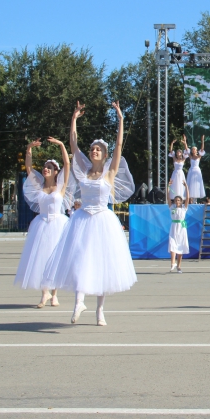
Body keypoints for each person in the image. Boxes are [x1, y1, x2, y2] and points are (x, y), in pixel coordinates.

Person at [41, 101, 136, 326]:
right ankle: (78, 302)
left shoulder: (109, 172)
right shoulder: (83, 171)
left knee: (102, 264)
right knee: (81, 260)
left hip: (103, 220)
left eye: (98, 149)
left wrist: (120, 119)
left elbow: (119, 144)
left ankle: (100, 310)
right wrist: (73, 119)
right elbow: (73, 145)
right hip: (83, 219)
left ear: (104, 155)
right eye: (92, 148)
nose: (94, 151)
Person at [15, 137, 72, 308]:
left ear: (56, 171)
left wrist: (62, 145)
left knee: (56, 258)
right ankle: (44, 293)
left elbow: (67, 166)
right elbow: (29, 169)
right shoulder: (39, 187)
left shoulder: (60, 187)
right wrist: (29, 150)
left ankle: (55, 294)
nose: (45, 169)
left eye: (49, 167)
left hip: (58, 224)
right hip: (41, 224)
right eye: (45, 167)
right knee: (41, 258)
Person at [169, 181, 190, 273]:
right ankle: (172, 263)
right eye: (176, 200)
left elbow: (188, 198)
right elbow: (167, 198)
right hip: (174, 227)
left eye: (179, 200)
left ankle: (179, 266)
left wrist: (186, 187)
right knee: (172, 244)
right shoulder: (172, 208)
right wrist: (168, 186)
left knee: (180, 246)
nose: (177, 202)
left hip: (182, 228)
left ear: (181, 201)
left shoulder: (184, 208)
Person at [168, 136, 189, 201]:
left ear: (181, 153)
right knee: (174, 185)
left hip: (181, 173)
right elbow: (171, 151)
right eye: (177, 152)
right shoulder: (174, 158)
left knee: (181, 185)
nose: (178, 153)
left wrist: (185, 143)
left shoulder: (183, 159)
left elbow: (187, 150)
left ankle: (181, 198)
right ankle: (174, 199)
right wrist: (172, 143)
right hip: (175, 173)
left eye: (179, 152)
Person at [186, 135, 206, 204]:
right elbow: (186, 149)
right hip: (191, 171)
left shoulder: (199, 156)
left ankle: (195, 200)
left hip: (197, 171)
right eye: (192, 149)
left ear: (196, 150)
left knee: (196, 184)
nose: (193, 150)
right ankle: (190, 200)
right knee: (190, 184)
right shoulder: (191, 156)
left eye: (194, 149)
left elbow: (202, 149)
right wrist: (185, 142)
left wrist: (202, 140)